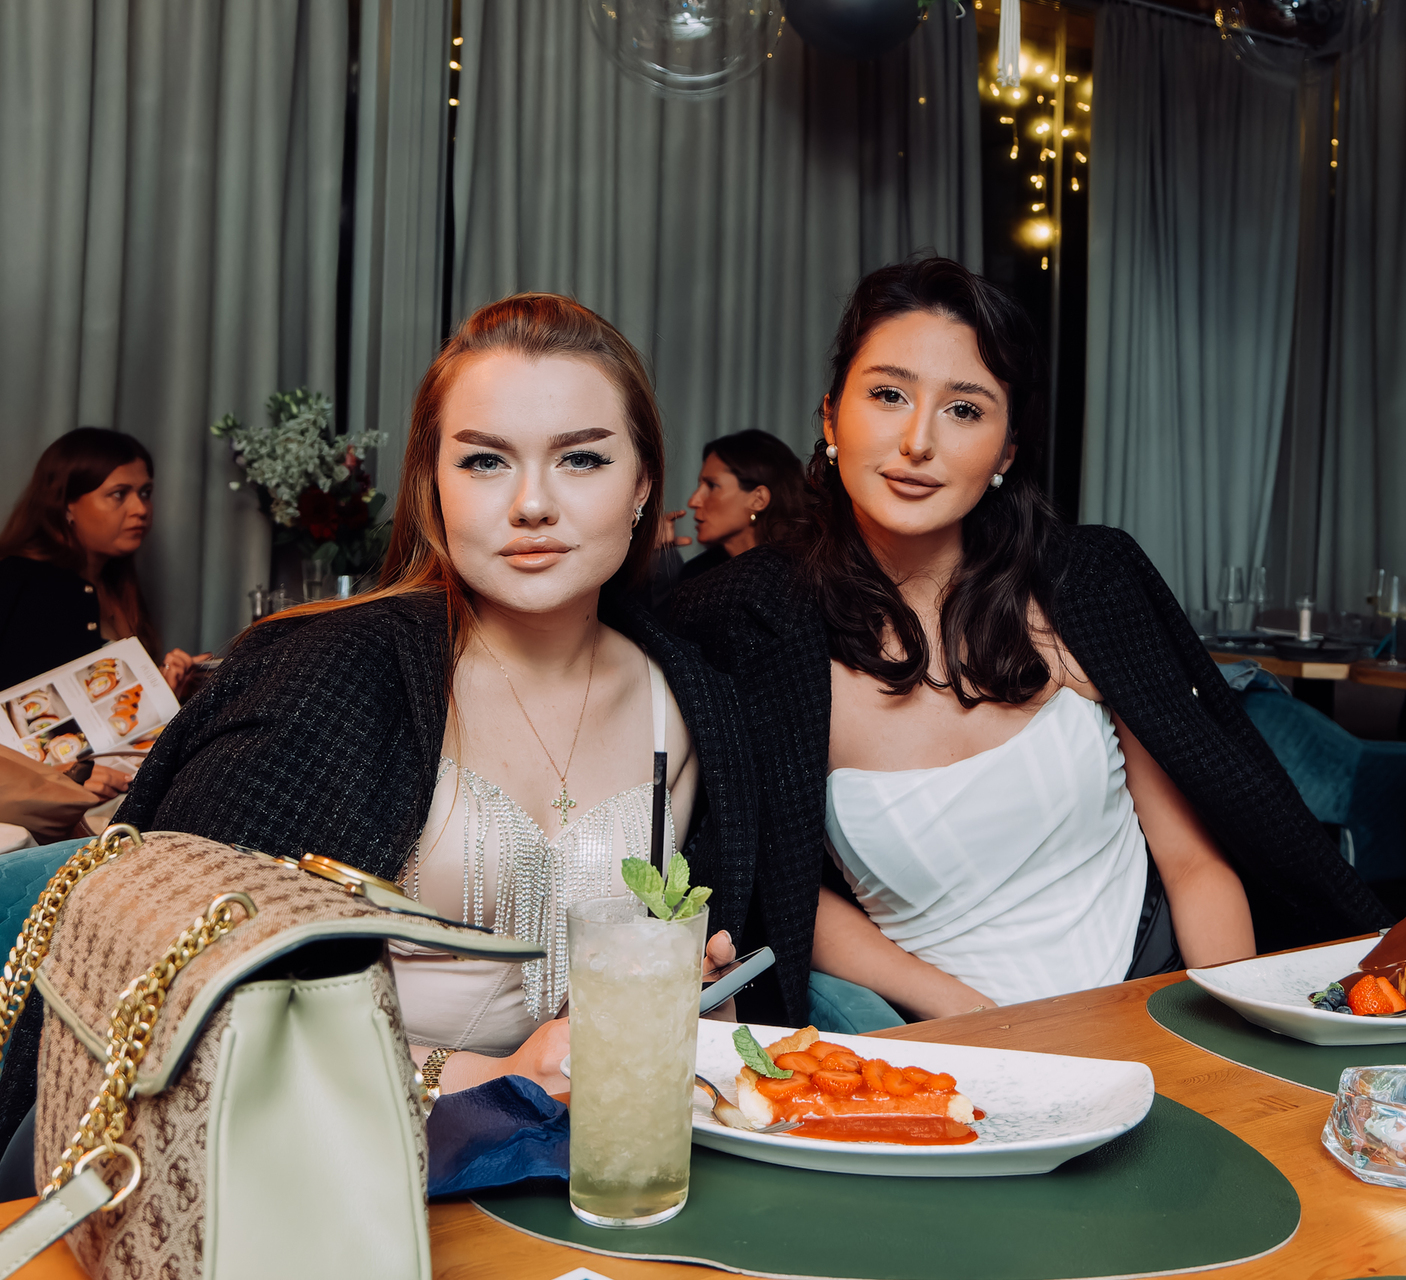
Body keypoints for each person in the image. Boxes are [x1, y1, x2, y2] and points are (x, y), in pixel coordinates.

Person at [671, 258, 1387, 1026]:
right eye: (888, 395)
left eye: (964, 410)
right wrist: (976, 1018)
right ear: (829, 418)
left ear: (1007, 450)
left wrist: (1228, 1038)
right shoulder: (754, 625)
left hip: (1161, 995)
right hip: (954, 1037)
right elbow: (784, 892)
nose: (917, 441)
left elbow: (1194, 865)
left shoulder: (1084, 587)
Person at [104, 293, 765, 1099]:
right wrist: (492, 1076)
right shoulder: (325, 675)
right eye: (485, 461)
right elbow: (163, 996)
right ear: (433, 487)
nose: (532, 504)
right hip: (332, 1141)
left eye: (582, 459)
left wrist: (679, 1001)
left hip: (572, 1153)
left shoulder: (689, 705)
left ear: (642, 486)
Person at [0, 428, 207, 701]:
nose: (141, 509)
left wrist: (170, 690)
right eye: (119, 494)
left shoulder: (117, 585)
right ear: (66, 505)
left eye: (145, 493)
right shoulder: (17, 581)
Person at [669, 430, 805, 584]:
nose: (693, 501)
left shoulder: (803, 576)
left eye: (712, 486)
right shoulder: (694, 576)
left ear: (758, 500)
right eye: (700, 486)